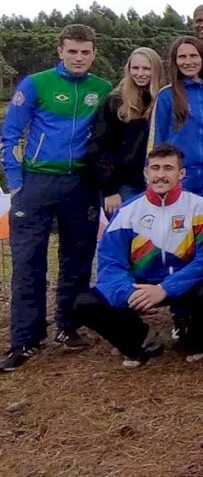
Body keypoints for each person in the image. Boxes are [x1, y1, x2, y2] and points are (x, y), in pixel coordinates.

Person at [1, 24, 113, 371]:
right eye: (72, 51)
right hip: (37, 182)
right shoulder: (37, 83)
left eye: (85, 52)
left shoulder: (102, 89)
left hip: (80, 183)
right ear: (60, 52)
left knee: (78, 258)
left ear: (94, 53)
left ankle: (70, 325)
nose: (79, 58)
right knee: (29, 260)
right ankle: (25, 338)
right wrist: (16, 182)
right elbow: (9, 134)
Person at [73, 145, 203, 367]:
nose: (160, 174)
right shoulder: (127, 212)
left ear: (181, 174)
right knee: (85, 303)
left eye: (168, 168)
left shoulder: (200, 207)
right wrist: (129, 294)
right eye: (155, 168)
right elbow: (111, 264)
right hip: (140, 286)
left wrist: (165, 289)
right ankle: (142, 341)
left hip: (182, 284)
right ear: (145, 173)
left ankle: (193, 340)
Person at [149, 36, 203, 200]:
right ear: (175, 61)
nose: (188, 62)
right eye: (182, 57)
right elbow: (156, 140)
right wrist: (156, 176)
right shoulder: (167, 95)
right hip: (178, 177)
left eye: (193, 56)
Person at [87, 47, 164, 216]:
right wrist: (109, 190)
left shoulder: (165, 100)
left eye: (146, 68)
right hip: (122, 185)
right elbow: (98, 147)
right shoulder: (115, 101)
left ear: (156, 70)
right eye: (135, 68)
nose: (140, 73)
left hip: (158, 180)